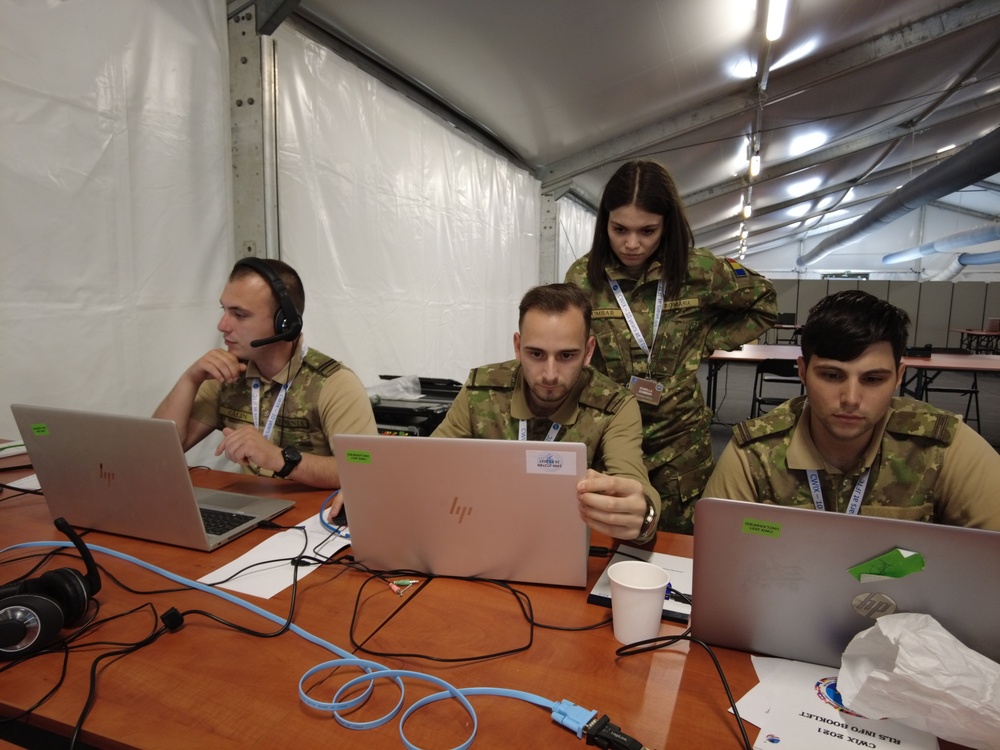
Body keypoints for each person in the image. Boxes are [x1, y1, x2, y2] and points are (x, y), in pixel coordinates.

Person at [565, 160, 777, 534]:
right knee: (608, 541)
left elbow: (764, 303)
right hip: (611, 435)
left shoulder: (701, 271)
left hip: (679, 441)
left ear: (668, 225)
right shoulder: (584, 277)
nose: (632, 244)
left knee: (678, 544)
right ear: (604, 225)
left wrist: (706, 342)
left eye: (648, 230)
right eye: (620, 229)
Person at [704, 290, 1000, 530]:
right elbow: (717, 556)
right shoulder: (755, 453)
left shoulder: (944, 447)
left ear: (899, 377)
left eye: (873, 379)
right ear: (803, 372)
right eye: (832, 376)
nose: (851, 398)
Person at [432, 283, 661, 543]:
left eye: (566, 355)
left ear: (588, 352)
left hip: (567, 542)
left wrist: (644, 515)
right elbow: (429, 466)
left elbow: (634, 483)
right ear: (518, 347)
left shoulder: (615, 406)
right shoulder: (480, 391)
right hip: (483, 534)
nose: (550, 375)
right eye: (536, 354)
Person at [154, 257, 377, 492]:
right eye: (225, 310)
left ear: (284, 323)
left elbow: (363, 471)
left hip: (311, 522)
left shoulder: (334, 384)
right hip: (252, 511)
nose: (222, 325)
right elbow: (156, 454)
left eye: (239, 315)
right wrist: (190, 379)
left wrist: (280, 459)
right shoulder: (225, 375)